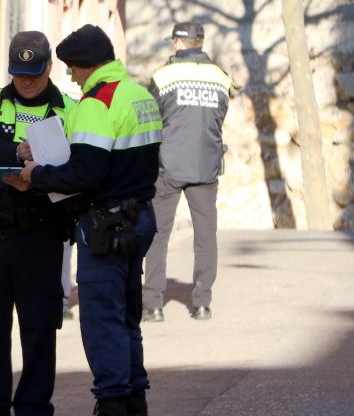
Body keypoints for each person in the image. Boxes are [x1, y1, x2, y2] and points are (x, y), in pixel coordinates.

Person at [8, 24, 162, 416]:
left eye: (72, 69)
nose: (71, 77)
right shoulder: (138, 95)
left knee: (101, 319)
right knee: (127, 316)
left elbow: (85, 173)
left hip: (106, 226)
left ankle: (112, 401)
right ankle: (134, 398)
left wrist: (36, 175)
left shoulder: (97, 103)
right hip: (139, 216)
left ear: (83, 66)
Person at [0, 30, 76, 416]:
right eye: (19, 72)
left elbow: (77, 166)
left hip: (41, 232)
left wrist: (38, 171)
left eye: (34, 72)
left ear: (49, 67)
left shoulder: (69, 109)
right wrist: (13, 150)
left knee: (39, 326)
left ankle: (34, 406)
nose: (26, 80)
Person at [141, 21, 232, 322]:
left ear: (178, 44)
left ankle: (153, 305)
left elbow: (152, 120)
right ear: (201, 42)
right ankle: (203, 303)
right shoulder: (220, 77)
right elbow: (219, 117)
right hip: (206, 166)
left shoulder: (163, 76)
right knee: (206, 237)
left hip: (168, 166)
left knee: (157, 235)